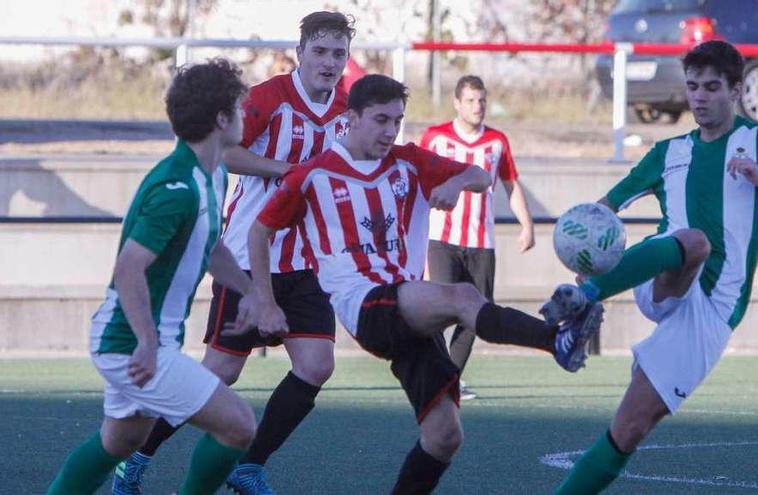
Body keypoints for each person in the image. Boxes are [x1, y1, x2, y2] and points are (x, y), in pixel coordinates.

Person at [249, 74, 601, 493]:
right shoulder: (312, 175)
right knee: (462, 296)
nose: (389, 131)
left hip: (408, 303)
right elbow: (259, 232)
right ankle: (554, 341)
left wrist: (452, 184)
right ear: (352, 118)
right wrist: (265, 302)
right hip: (364, 305)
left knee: (444, 437)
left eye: (396, 121)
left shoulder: (408, 160)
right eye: (380, 119)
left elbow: (481, 176)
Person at [545, 40, 758, 494]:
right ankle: (584, 303)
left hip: (713, 309)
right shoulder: (667, 152)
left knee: (629, 427)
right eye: (692, 87)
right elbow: (604, 209)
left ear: (735, 89)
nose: (700, 97)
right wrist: (587, 259)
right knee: (692, 240)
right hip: (665, 275)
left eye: (711, 87)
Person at [112, 11, 354, 495]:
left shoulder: (348, 109)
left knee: (316, 365)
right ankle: (135, 459)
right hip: (249, 256)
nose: (329, 62)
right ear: (301, 51)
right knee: (221, 372)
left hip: (307, 261)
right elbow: (225, 152)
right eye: (321, 51)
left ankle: (249, 465)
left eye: (339, 53)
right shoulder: (268, 97)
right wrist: (287, 169)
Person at [47, 58, 260, 495]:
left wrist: (251, 292)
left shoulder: (213, 173)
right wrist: (146, 341)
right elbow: (128, 268)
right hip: (129, 344)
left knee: (121, 440)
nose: (246, 116)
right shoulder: (176, 187)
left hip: (141, 341)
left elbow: (211, 245)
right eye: (241, 108)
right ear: (221, 119)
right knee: (238, 427)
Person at [420, 75, 535, 400]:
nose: (477, 107)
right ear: (457, 103)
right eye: (470, 100)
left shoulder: (497, 141)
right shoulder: (436, 138)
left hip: (481, 242)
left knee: (477, 315)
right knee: (440, 311)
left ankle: (447, 380)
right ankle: (432, 375)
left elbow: (511, 185)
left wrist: (526, 224)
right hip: (441, 239)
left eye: (481, 100)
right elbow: (417, 181)